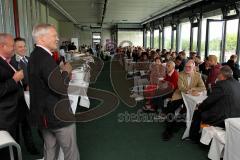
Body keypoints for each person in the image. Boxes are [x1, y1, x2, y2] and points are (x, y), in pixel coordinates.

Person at [28, 24, 80, 160]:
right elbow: (59, 88)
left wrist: (59, 72)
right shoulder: (45, 58)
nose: (57, 39)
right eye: (54, 36)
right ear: (42, 38)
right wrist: (66, 72)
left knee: (50, 151)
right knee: (70, 152)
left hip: (44, 115)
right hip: (57, 115)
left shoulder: (34, 56)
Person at [190, 66, 240, 141]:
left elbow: (209, 101)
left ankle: (194, 137)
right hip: (236, 117)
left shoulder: (221, 85)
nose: (217, 76)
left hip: (223, 118)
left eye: (218, 74)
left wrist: (200, 107)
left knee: (197, 112)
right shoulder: (237, 83)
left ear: (221, 75)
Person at [162, 60, 206, 141]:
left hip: (191, 97)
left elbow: (202, 87)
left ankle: (178, 123)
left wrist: (193, 89)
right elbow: (181, 87)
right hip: (180, 95)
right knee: (171, 106)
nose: (187, 68)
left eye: (189, 67)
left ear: (194, 67)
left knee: (190, 108)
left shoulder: (198, 75)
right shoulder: (180, 74)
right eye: (186, 66)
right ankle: (168, 129)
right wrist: (190, 91)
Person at [10, 37, 39, 155]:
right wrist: (26, 85)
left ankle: (33, 146)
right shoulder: (11, 62)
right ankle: (24, 149)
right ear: (14, 48)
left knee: (31, 122)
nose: (23, 49)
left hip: (32, 96)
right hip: (19, 98)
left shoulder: (29, 59)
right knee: (22, 124)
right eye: (20, 47)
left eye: (24, 46)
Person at [0, 33, 24, 159]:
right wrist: (14, 80)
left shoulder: (7, 61)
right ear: (2, 46)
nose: (14, 49)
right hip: (5, 117)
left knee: (14, 145)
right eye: (11, 46)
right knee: (7, 150)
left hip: (13, 112)